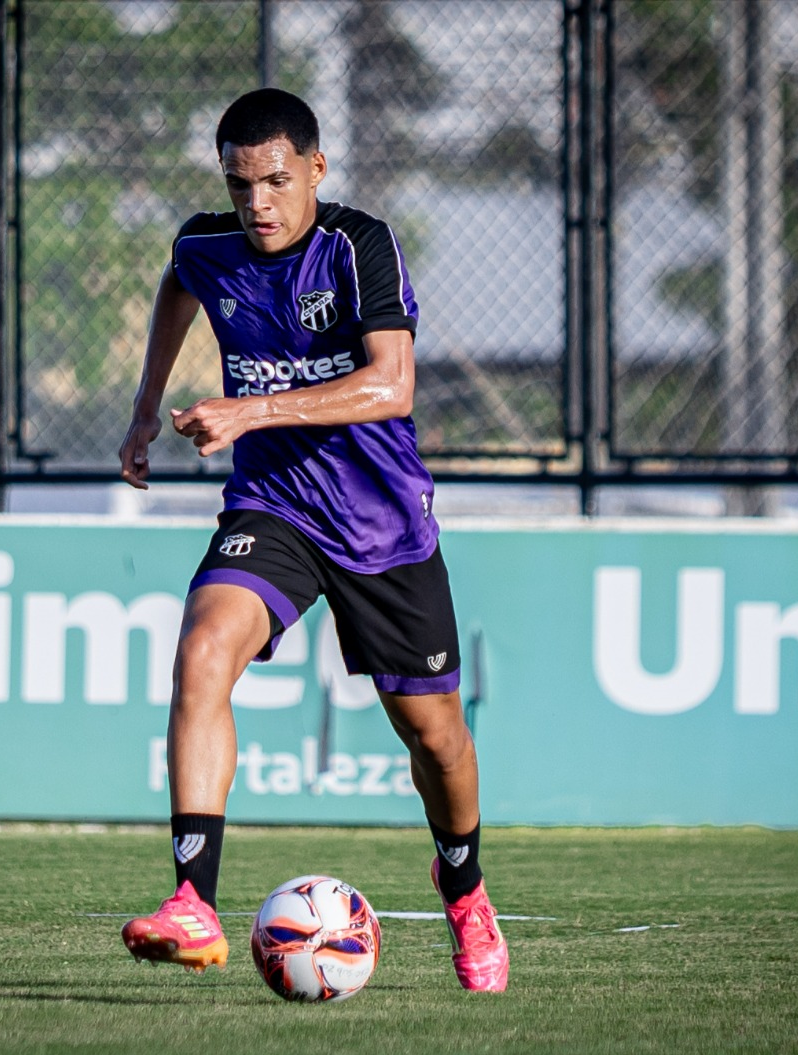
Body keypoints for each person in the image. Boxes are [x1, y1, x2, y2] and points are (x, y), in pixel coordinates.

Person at [116, 87, 507, 993]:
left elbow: (391, 386)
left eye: (277, 180)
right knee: (204, 650)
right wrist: (143, 412)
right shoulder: (207, 246)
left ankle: (466, 894)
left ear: (316, 172)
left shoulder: (355, 246)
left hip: (379, 525)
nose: (258, 201)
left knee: (435, 740)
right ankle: (193, 903)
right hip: (276, 512)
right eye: (240, 181)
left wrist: (251, 409)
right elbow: (179, 283)